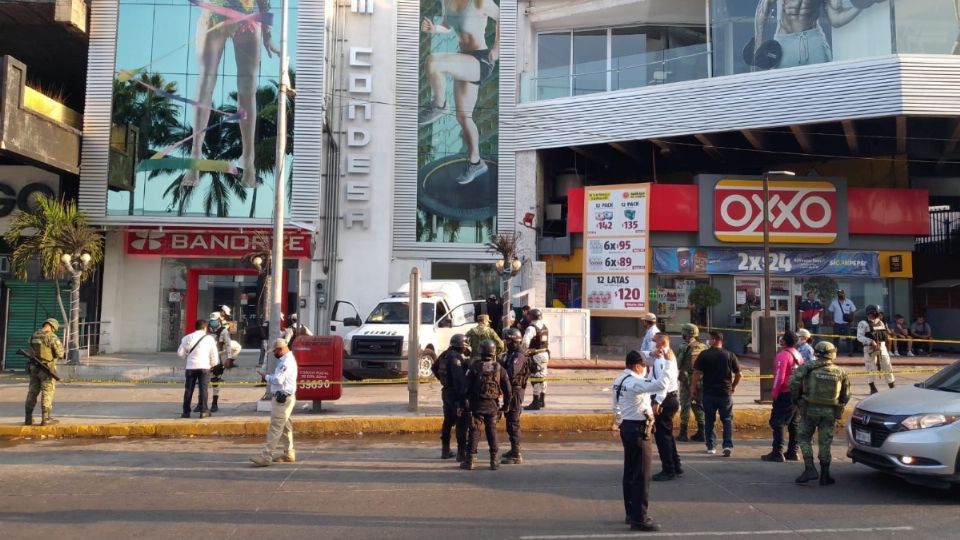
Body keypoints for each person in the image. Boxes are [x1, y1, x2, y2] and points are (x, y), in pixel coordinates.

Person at [182, 0, 279, 189]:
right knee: (206, 82)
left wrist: (267, 33)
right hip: (215, 14)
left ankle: (248, 159)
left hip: (247, 16)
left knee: (247, 86)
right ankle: (195, 155)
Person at [419, 0, 501, 185]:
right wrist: (435, 29)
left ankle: (439, 105)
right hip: (464, 59)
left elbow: (503, 18)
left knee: (433, 62)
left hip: (481, 60)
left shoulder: (479, 2)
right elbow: (447, 26)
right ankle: (476, 162)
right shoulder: (446, 1)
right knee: (464, 117)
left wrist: (497, 48)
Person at [612, 350, 666, 532]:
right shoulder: (636, 382)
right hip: (639, 430)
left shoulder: (619, 380)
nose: (646, 369)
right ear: (637, 366)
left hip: (627, 426)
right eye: (645, 366)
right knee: (642, 475)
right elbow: (662, 384)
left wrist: (620, 422)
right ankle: (640, 517)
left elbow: (616, 406)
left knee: (630, 473)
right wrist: (665, 362)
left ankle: (631, 513)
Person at [753, 0, 882, 70]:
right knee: (781, 95)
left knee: (825, 91)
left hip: (813, 41)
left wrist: (863, 5)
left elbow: (835, 19)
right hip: (786, 44)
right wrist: (758, 48)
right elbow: (761, 13)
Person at [790, 341, 851, 486]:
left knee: (804, 438)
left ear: (816, 353)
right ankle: (825, 475)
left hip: (809, 409)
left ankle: (810, 469)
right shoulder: (841, 372)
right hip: (829, 412)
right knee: (825, 442)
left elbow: (793, 383)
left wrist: (797, 400)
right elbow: (846, 396)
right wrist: (839, 405)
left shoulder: (808, 368)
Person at [460, 339, 511, 471]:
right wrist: (506, 405)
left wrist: (462, 403)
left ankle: (469, 461)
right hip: (493, 405)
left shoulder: (474, 367)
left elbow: (465, 388)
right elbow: (508, 389)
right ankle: (494, 461)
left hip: (477, 404)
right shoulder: (500, 368)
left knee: (474, 431)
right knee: (492, 432)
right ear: (494, 352)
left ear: (481, 351)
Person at [691, 331, 741, 457]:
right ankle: (727, 445)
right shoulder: (729, 355)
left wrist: (693, 387)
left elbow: (696, 372)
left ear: (714, 340)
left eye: (710, 339)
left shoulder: (704, 355)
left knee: (709, 419)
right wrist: (733, 386)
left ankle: (711, 446)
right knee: (727, 419)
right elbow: (739, 374)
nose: (709, 341)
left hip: (709, 393)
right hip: (725, 393)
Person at [250, 338, 299, 466]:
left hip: (283, 399)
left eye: (275, 351)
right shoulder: (285, 360)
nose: (274, 354)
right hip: (285, 397)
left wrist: (265, 376)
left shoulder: (286, 362)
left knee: (275, 428)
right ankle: (289, 453)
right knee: (285, 427)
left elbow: (277, 379)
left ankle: (266, 456)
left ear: (280, 349)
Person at [761, 331, 803, 463]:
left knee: (778, 422)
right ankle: (793, 451)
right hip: (796, 392)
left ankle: (777, 452)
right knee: (794, 423)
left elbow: (779, 376)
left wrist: (774, 392)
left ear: (784, 341)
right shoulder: (797, 354)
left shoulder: (783, 355)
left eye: (782, 338)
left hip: (785, 393)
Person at [431, 333, 469, 460]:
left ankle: (445, 450)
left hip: (446, 392)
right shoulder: (455, 358)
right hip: (454, 393)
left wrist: (443, 380)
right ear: (460, 345)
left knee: (447, 421)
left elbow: (434, 367)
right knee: (461, 422)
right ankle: (461, 453)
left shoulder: (445, 354)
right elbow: (459, 380)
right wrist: (462, 399)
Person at [650, 334, 682, 481]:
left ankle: (668, 470)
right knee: (667, 435)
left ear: (661, 343)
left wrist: (658, 401)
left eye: (655, 341)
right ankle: (675, 465)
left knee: (662, 437)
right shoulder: (662, 355)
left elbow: (665, 381)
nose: (653, 344)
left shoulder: (665, 358)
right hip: (668, 398)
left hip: (665, 399)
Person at [498, 327, 532, 464]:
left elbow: (511, 372)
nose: (505, 342)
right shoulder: (511, 353)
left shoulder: (519, 355)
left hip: (516, 391)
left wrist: (499, 371)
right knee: (509, 421)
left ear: (512, 340)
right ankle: (513, 449)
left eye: (507, 340)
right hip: (510, 390)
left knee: (513, 421)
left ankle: (516, 453)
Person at [24, 318, 65, 426]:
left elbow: (29, 351)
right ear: (53, 327)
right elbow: (60, 354)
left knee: (32, 392)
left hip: (34, 368)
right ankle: (45, 419)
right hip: (46, 369)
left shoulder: (33, 335)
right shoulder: (52, 337)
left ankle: (28, 418)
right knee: (47, 392)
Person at [178, 319, 219, 419]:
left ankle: (186, 412)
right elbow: (214, 354)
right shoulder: (209, 338)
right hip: (204, 367)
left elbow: (180, 353)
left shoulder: (186, 338)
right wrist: (213, 364)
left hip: (191, 367)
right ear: (205, 328)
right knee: (203, 389)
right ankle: (204, 411)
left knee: (188, 389)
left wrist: (188, 358)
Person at [676, 323, 706, 443]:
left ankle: (683, 433)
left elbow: (678, 364)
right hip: (700, 379)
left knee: (685, 405)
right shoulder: (704, 346)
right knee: (698, 404)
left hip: (687, 379)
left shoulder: (684, 346)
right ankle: (702, 431)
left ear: (686, 334)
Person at [857, 305, 895, 395]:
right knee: (871, 367)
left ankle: (892, 386)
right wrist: (870, 341)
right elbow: (859, 337)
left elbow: (885, 334)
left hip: (881, 346)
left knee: (887, 365)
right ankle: (872, 387)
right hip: (869, 348)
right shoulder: (863, 323)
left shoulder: (881, 322)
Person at [522, 308, 550, 410]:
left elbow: (525, 342)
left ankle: (535, 402)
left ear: (531, 317)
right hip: (545, 354)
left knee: (536, 377)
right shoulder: (544, 327)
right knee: (543, 376)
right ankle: (542, 400)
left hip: (536, 355)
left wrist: (523, 352)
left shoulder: (531, 328)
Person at [827, 289, 856, 356]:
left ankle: (850, 352)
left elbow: (853, 311)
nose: (840, 295)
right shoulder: (834, 302)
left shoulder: (849, 302)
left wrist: (852, 320)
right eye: (839, 294)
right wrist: (832, 320)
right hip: (837, 323)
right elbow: (830, 312)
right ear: (837, 295)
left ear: (844, 294)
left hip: (847, 324)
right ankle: (835, 353)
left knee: (849, 338)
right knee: (836, 338)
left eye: (841, 293)